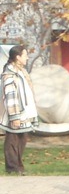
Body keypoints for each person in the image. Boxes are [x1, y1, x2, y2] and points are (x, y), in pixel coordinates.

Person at [1, 45, 38, 175]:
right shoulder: (10, 74)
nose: (27, 57)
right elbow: (10, 95)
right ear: (17, 57)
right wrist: (14, 116)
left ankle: (18, 167)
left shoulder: (21, 72)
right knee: (12, 140)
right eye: (25, 55)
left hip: (25, 113)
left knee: (22, 139)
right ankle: (12, 168)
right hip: (16, 113)